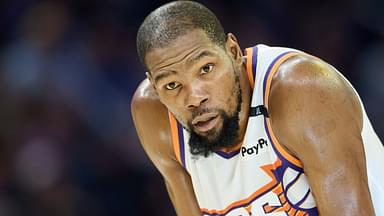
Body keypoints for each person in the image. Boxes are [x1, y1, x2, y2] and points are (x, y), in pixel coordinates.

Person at [131, 1, 384, 215]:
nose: (194, 98)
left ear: (233, 51)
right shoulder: (155, 117)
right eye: (172, 84)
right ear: (154, 86)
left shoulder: (303, 92)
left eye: (206, 69)